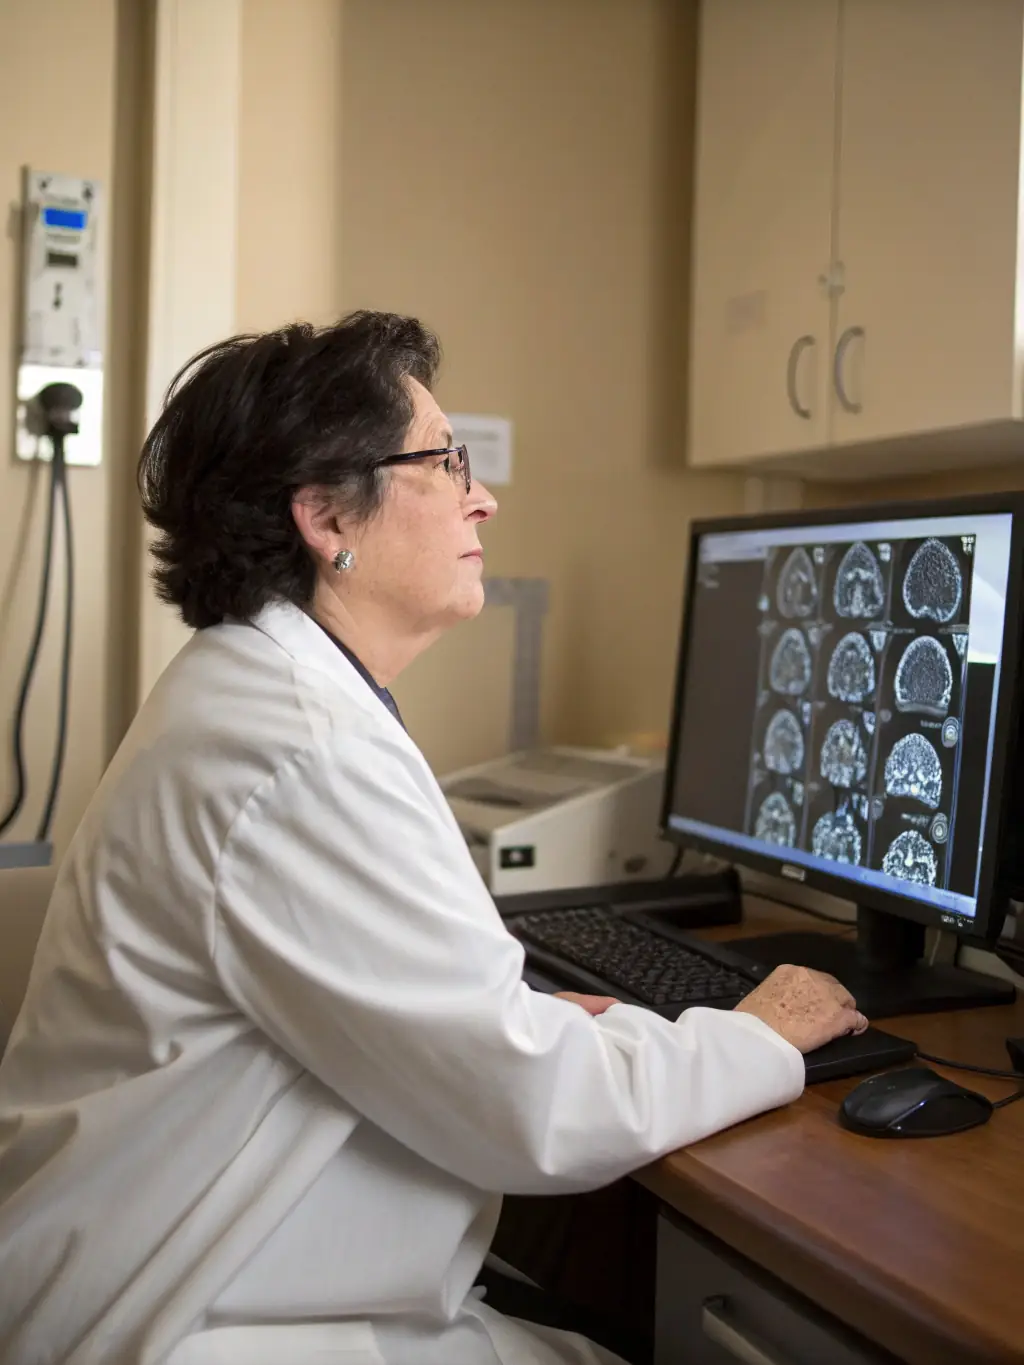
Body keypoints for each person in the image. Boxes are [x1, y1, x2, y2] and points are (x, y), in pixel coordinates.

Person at [0, 312, 866, 1365]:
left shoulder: (261, 693)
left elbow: (421, 1027)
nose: (482, 496)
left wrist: (504, 1019)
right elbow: (533, 1109)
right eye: (444, 461)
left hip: (201, 1277)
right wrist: (757, 1034)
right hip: (187, 1323)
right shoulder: (301, 747)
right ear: (326, 514)